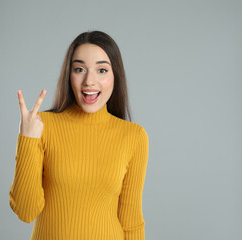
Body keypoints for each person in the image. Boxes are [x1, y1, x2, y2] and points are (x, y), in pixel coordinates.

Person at [9, 30, 149, 240]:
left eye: (101, 70)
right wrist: (27, 139)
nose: (89, 81)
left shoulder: (134, 136)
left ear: (115, 76)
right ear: (69, 75)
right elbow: (25, 211)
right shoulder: (42, 126)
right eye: (80, 69)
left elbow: (131, 222)